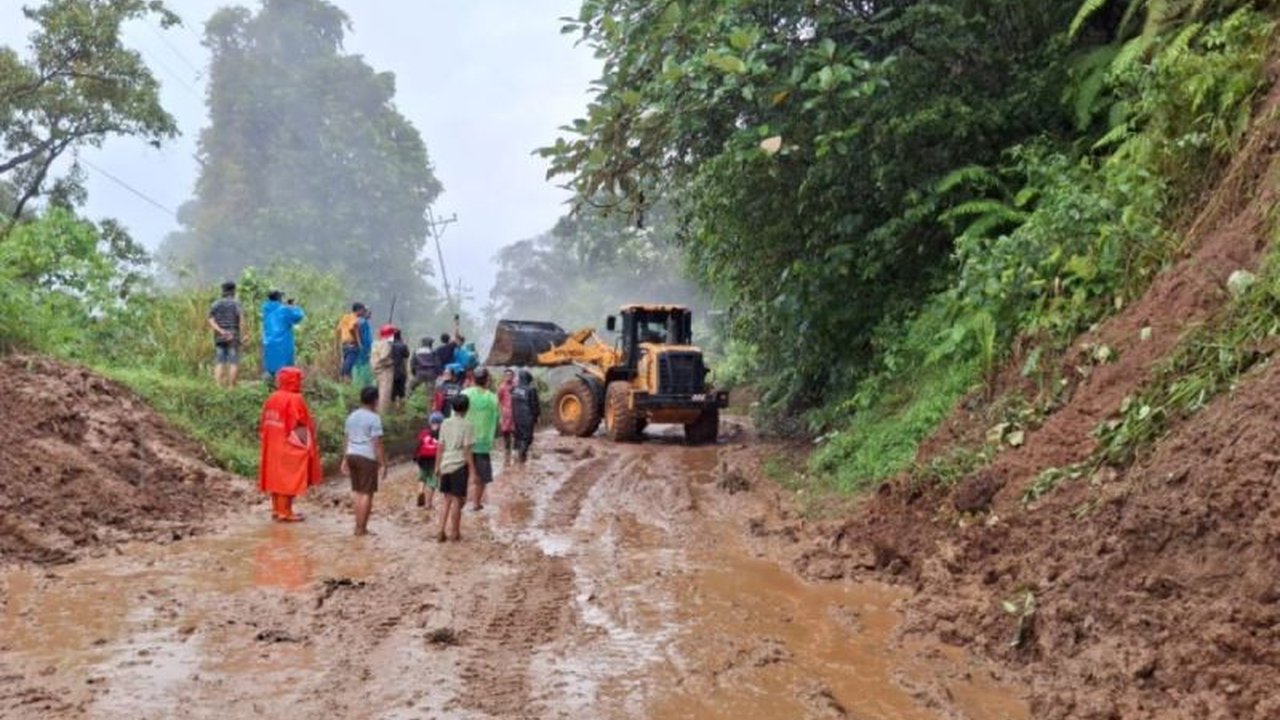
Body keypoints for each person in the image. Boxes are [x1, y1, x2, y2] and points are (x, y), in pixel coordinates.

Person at [258, 366, 322, 522]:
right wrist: (307, 445)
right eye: (299, 380)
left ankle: (276, 509)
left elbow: (263, 422)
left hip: (272, 443)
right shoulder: (295, 399)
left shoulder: (272, 397)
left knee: (275, 477)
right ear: (293, 380)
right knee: (290, 476)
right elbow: (301, 422)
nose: (301, 383)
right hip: (287, 444)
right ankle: (285, 512)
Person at [341, 386, 386, 536]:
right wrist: (382, 463)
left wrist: (345, 459)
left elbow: (346, 438)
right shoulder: (374, 418)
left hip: (352, 455)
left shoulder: (351, 416)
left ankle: (357, 526)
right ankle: (362, 528)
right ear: (375, 400)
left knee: (357, 492)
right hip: (367, 457)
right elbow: (377, 443)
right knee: (367, 493)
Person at [434, 394, 475, 542]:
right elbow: (467, 451)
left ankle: (440, 531)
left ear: (452, 407)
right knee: (457, 500)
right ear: (467, 408)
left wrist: (437, 466)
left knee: (446, 499)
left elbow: (440, 447)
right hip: (459, 466)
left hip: (445, 464)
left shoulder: (445, 423)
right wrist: (473, 470)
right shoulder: (468, 425)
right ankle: (454, 533)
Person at [462, 368, 500, 511]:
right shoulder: (492, 398)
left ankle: (460, 501)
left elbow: (455, 414)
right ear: (487, 380)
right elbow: (497, 419)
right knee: (482, 477)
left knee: (463, 473)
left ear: (473, 379)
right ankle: (476, 503)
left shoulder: (465, 394)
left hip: (464, 442)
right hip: (483, 443)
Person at [261, 290, 305, 380]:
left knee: (271, 367)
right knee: (284, 369)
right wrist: (294, 307)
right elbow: (298, 316)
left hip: (269, 342)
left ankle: (270, 387)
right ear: (279, 298)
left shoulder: (266, 309)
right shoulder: (284, 310)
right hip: (283, 343)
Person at [207, 281, 243, 388]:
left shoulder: (216, 303)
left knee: (219, 361)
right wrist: (244, 334)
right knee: (233, 362)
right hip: (233, 336)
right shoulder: (236, 303)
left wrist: (220, 330)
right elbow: (242, 320)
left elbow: (210, 319)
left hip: (219, 337)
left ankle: (218, 387)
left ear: (222, 290)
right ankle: (231, 387)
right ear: (233, 291)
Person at [414, 412, 444, 510]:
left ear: (430, 422)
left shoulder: (424, 432)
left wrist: (415, 457)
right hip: (434, 460)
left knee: (422, 477)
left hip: (422, 459)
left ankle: (420, 491)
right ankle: (428, 504)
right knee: (432, 481)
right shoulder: (442, 434)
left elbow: (418, 445)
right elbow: (443, 449)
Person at [511, 370, 540, 463]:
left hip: (516, 416)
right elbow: (534, 404)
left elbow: (512, 402)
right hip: (527, 417)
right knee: (527, 437)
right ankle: (522, 457)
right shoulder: (531, 389)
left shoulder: (514, 389)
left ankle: (516, 455)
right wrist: (536, 416)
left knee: (518, 436)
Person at [371, 324, 396, 415]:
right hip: (385, 371)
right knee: (384, 394)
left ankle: (375, 411)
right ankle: (383, 415)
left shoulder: (375, 343)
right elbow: (383, 358)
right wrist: (391, 362)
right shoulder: (386, 344)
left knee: (377, 393)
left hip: (376, 371)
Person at [337, 302, 365, 381]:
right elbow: (352, 328)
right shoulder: (354, 318)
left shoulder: (345, 317)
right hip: (352, 344)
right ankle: (343, 377)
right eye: (362, 310)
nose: (363, 312)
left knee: (346, 361)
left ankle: (345, 379)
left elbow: (338, 329)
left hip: (344, 344)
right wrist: (358, 342)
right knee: (349, 363)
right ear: (358, 310)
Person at [352, 306, 375, 388]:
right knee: (361, 365)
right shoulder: (361, 321)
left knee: (365, 365)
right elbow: (356, 331)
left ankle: (365, 384)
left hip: (367, 348)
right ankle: (360, 384)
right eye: (369, 313)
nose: (370, 315)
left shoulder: (365, 322)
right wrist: (360, 344)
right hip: (363, 348)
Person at [497, 369, 516, 464]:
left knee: (516, 434)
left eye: (510, 375)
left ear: (513, 376)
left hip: (515, 414)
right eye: (506, 375)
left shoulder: (516, 387)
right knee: (506, 434)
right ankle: (507, 455)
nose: (508, 376)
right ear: (504, 376)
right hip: (505, 415)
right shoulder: (502, 387)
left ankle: (516, 454)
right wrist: (500, 415)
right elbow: (498, 401)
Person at [391, 329, 411, 410]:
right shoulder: (403, 345)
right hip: (401, 371)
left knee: (392, 393)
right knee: (402, 392)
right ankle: (402, 410)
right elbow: (407, 355)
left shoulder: (390, 345)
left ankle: (393, 409)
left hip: (392, 372)